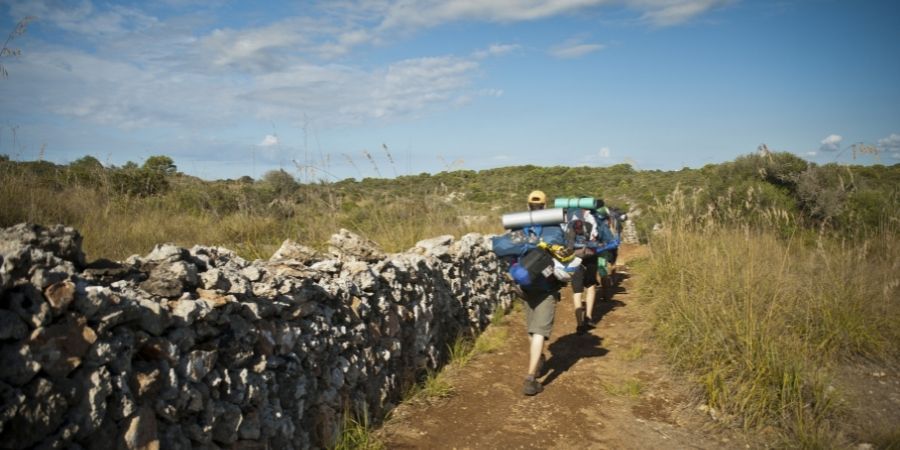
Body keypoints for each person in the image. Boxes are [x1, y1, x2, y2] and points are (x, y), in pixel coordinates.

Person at [517, 189, 565, 396]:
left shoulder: (519, 227)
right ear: (546, 207)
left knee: (532, 329)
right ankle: (530, 378)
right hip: (546, 286)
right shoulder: (554, 229)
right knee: (539, 332)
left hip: (524, 286)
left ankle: (537, 361)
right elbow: (564, 255)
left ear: (528, 206)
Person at [562, 204, 600, 334]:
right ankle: (588, 317)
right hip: (590, 259)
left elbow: (565, 245)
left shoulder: (567, 226)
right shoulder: (589, 223)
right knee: (590, 287)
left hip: (574, 260)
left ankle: (579, 324)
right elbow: (595, 239)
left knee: (577, 292)